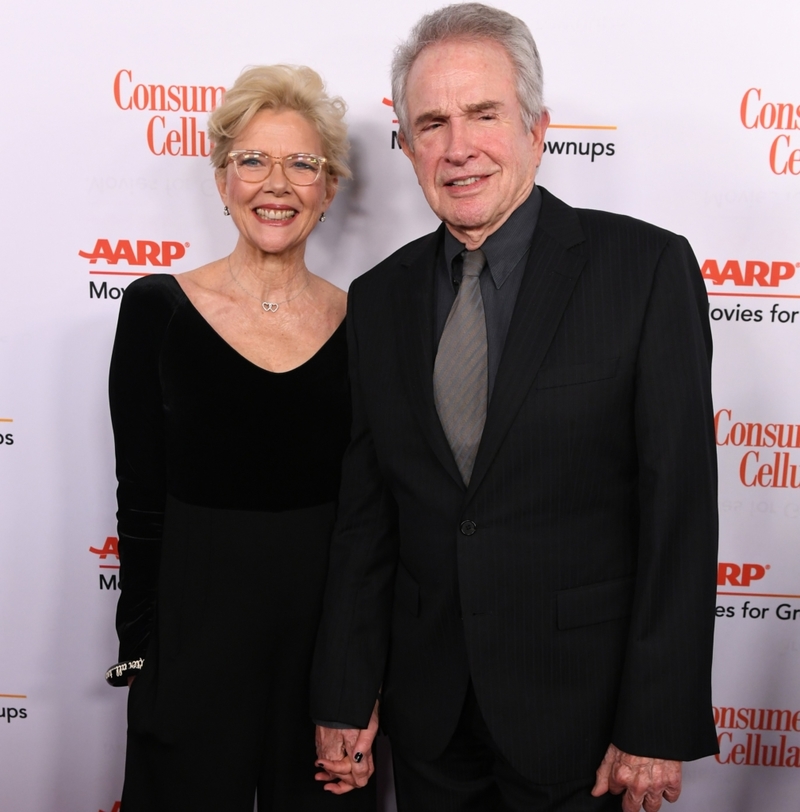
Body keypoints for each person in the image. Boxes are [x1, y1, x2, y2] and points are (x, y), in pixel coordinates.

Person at [310, 5, 719, 812]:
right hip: (429, 725)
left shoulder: (642, 270)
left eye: (483, 114)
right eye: (432, 123)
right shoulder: (379, 298)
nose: (458, 147)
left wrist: (655, 722)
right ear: (408, 143)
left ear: (537, 126)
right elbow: (367, 519)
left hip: (585, 724)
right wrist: (344, 693)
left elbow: (678, 512)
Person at [105, 64, 375, 812]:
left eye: (302, 163)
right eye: (253, 159)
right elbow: (141, 500)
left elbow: (374, 518)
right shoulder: (156, 309)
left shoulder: (368, 326)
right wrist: (143, 651)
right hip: (193, 645)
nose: (276, 183)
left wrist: (364, 678)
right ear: (222, 179)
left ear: (328, 188)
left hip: (324, 657)